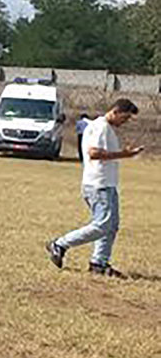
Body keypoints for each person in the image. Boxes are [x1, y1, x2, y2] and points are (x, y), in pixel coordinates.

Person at [46, 99, 143, 279]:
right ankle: (59, 244)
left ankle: (99, 263)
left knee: (111, 226)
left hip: (107, 184)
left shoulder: (106, 128)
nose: (126, 122)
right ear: (116, 111)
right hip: (99, 186)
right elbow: (94, 153)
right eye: (126, 117)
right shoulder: (101, 127)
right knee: (102, 225)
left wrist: (123, 153)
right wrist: (125, 154)